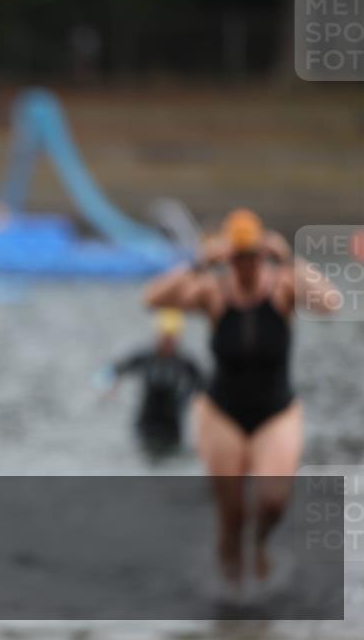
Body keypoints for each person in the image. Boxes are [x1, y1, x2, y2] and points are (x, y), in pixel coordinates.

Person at [143, 208, 340, 587]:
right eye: (237, 257)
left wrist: (291, 259)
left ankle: (262, 544)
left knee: (272, 502)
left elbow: (330, 303)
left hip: (276, 412)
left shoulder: (283, 286)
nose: (245, 266)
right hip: (223, 412)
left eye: (252, 257)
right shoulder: (212, 291)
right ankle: (232, 599)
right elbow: (152, 298)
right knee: (231, 515)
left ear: (262, 255)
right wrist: (198, 262)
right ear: (228, 257)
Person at [102, 308, 203, 458]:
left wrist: (196, 403)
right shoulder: (145, 358)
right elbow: (112, 371)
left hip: (172, 425)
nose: (168, 341)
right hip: (146, 424)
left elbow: (204, 385)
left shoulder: (185, 363)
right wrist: (107, 387)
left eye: (172, 337)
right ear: (157, 335)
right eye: (164, 336)